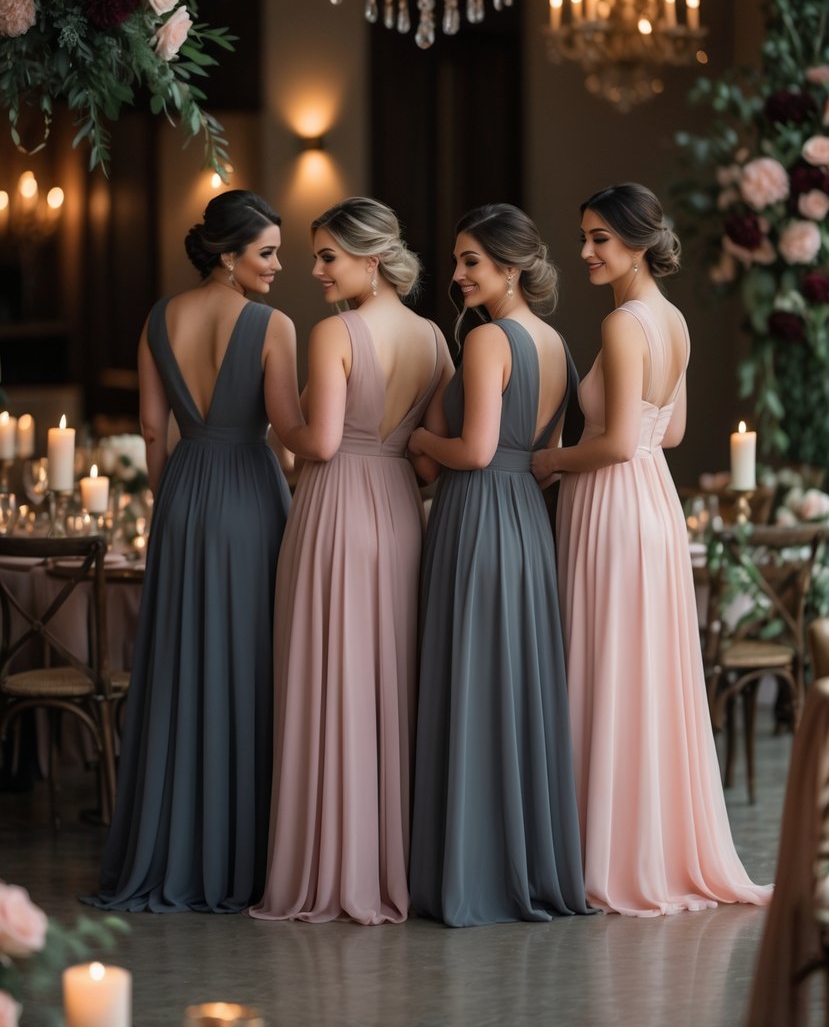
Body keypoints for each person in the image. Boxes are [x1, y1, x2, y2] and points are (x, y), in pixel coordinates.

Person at [533, 182, 772, 916]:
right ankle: (648, 844)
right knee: (641, 672)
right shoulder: (672, 321)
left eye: (598, 239)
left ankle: (606, 852)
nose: (583, 253)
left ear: (637, 241)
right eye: (583, 238)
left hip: (610, 504)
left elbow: (607, 443)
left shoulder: (621, 328)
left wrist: (543, 464)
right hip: (653, 502)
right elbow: (664, 433)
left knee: (608, 665)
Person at [85, 190, 298, 912]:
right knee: (252, 663)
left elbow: (151, 432)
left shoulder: (156, 320)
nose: (278, 264)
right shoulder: (273, 326)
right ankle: (247, 852)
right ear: (228, 255)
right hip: (249, 492)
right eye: (267, 252)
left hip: (181, 497)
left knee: (181, 666)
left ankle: (173, 845)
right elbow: (294, 434)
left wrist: (167, 502)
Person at [250, 197, 452, 926]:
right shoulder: (433, 339)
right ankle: (388, 863)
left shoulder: (335, 333)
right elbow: (431, 464)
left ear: (371, 258)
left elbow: (322, 443)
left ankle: (331, 866)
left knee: (329, 676)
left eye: (328, 256)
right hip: (399, 511)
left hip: (334, 513)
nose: (315, 270)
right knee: (388, 683)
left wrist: (277, 418)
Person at [407, 203, 591, 927]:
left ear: (511, 266)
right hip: (524, 521)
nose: (455, 276)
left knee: (473, 687)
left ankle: (471, 873)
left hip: (476, 516)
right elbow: (543, 458)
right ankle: (524, 862)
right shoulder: (555, 342)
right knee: (512, 689)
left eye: (470, 262)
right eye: (456, 261)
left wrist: (421, 433)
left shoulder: (488, 343)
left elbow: (475, 450)